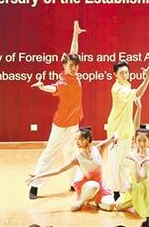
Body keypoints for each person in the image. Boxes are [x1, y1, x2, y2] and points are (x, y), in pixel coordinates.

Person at [27, 21, 86, 199]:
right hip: (61, 125)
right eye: (71, 66)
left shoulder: (75, 76)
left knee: (73, 153)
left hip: (74, 124)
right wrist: (42, 87)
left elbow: (73, 53)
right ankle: (35, 184)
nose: (74, 68)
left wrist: (75, 35)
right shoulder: (63, 82)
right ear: (64, 67)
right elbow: (53, 88)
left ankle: (74, 183)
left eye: (76, 65)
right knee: (51, 153)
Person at [27, 127, 117, 211]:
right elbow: (59, 170)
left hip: (101, 187)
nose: (77, 142)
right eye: (76, 139)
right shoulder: (78, 158)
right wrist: (38, 175)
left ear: (87, 139)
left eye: (80, 139)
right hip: (86, 187)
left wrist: (116, 137)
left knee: (111, 205)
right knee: (94, 185)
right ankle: (80, 202)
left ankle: (96, 201)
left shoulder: (98, 149)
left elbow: (114, 135)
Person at [106, 60, 149, 199]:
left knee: (125, 163)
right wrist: (147, 77)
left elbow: (135, 96)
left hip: (126, 130)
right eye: (121, 73)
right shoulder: (118, 89)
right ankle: (115, 193)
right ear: (115, 74)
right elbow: (137, 94)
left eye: (126, 72)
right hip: (115, 131)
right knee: (115, 164)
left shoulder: (127, 85)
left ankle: (124, 191)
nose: (125, 75)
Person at [115, 125, 149, 217]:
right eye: (139, 141)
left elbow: (139, 178)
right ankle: (136, 201)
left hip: (141, 187)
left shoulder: (147, 159)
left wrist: (136, 162)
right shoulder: (135, 150)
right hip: (133, 184)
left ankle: (141, 200)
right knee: (117, 205)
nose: (141, 144)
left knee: (120, 206)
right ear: (135, 141)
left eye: (144, 141)